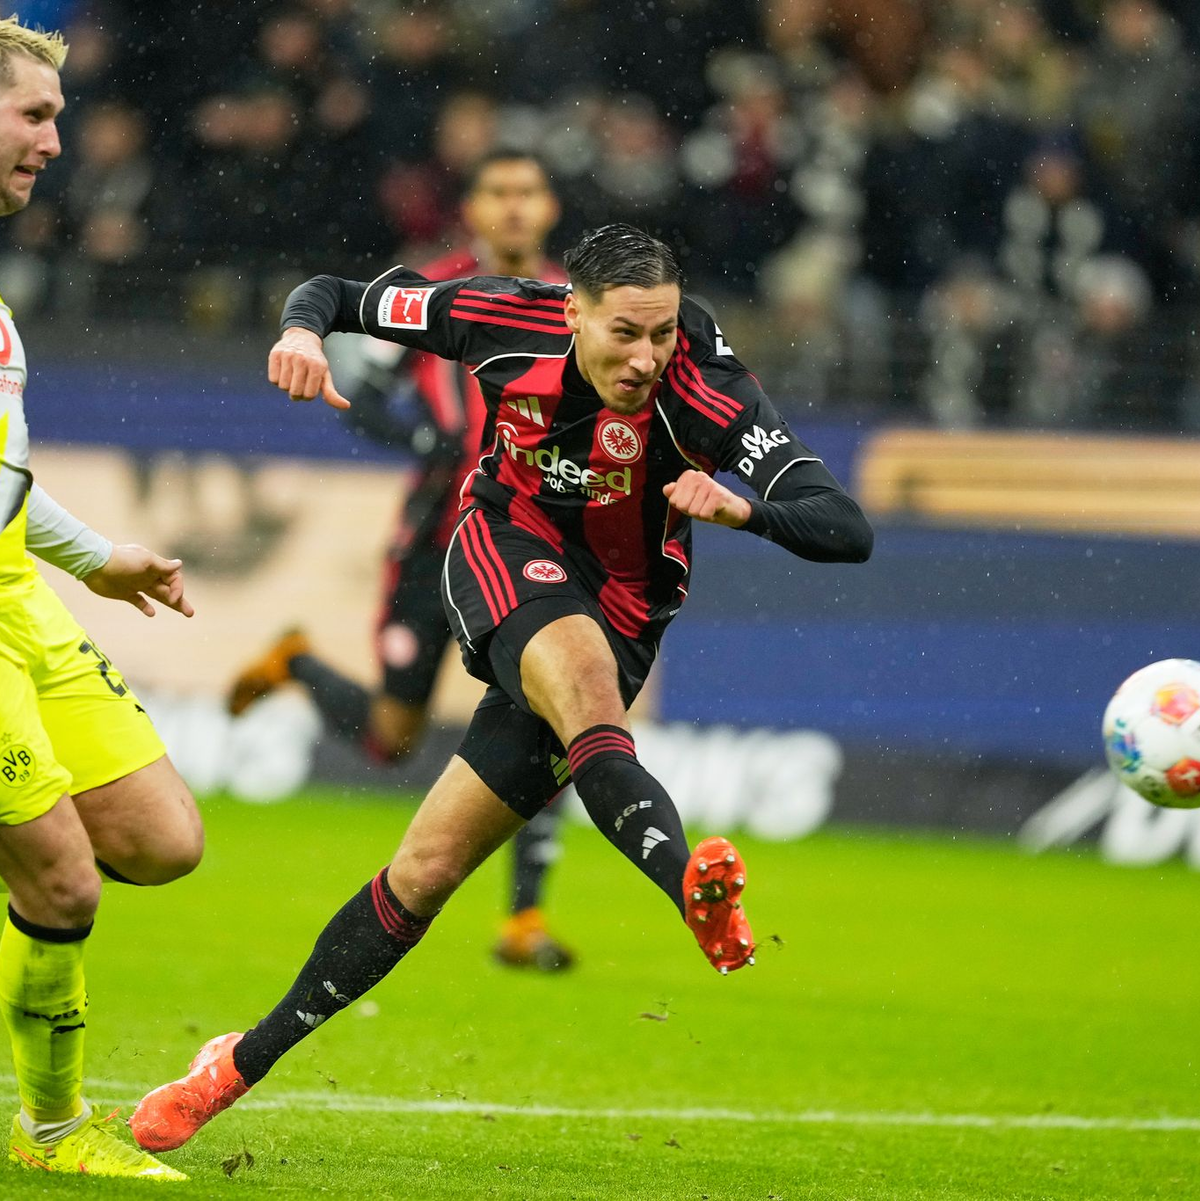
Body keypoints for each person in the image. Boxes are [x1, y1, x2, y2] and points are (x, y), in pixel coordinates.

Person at [130, 223, 873, 1153]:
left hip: (628, 613)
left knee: (423, 874)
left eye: (663, 334)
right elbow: (334, 290)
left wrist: (744, 508)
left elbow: (845, 526)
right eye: (624, 334)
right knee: (591, 696)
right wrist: (298, 333)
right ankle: (690, 886)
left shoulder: (709, 390)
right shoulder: (495, 313)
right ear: (573, 313)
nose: (646, 358)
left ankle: (234, 1063)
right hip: (501, 547)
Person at [228, 149, 577, 971]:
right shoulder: (435, 291)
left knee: (559, 710)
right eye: (500, 192)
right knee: (392, 737)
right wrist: (424, 436)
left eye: (530, 191)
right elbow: (358, 382)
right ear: (475, 208)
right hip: (434, 538)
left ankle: (524, 921)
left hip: (533, 537)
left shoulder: (579, 300)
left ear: (550, 205)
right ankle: (297, 665)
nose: (516, 207)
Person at [0, 17, 202, 1182]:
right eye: (36, 115)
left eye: (59, 116)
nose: (57, 141)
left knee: (159, 840)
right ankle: (55, 1127)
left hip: (17, 594)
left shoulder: (2, 307)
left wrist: (94, 557)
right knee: (64, 877)